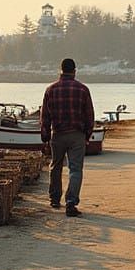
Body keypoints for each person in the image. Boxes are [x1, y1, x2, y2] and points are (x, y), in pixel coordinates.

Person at [40, 58, 95, 217]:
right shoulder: (83, 89)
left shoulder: (51, 89)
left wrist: (45, 137)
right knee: (75, 169)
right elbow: (89, 115)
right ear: (74, 71)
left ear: (61, 70)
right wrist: (87, 134)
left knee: (55, 166)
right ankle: (71, 202)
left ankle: (55, 198)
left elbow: (45, 117)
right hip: (77, 135)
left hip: (57, 134)